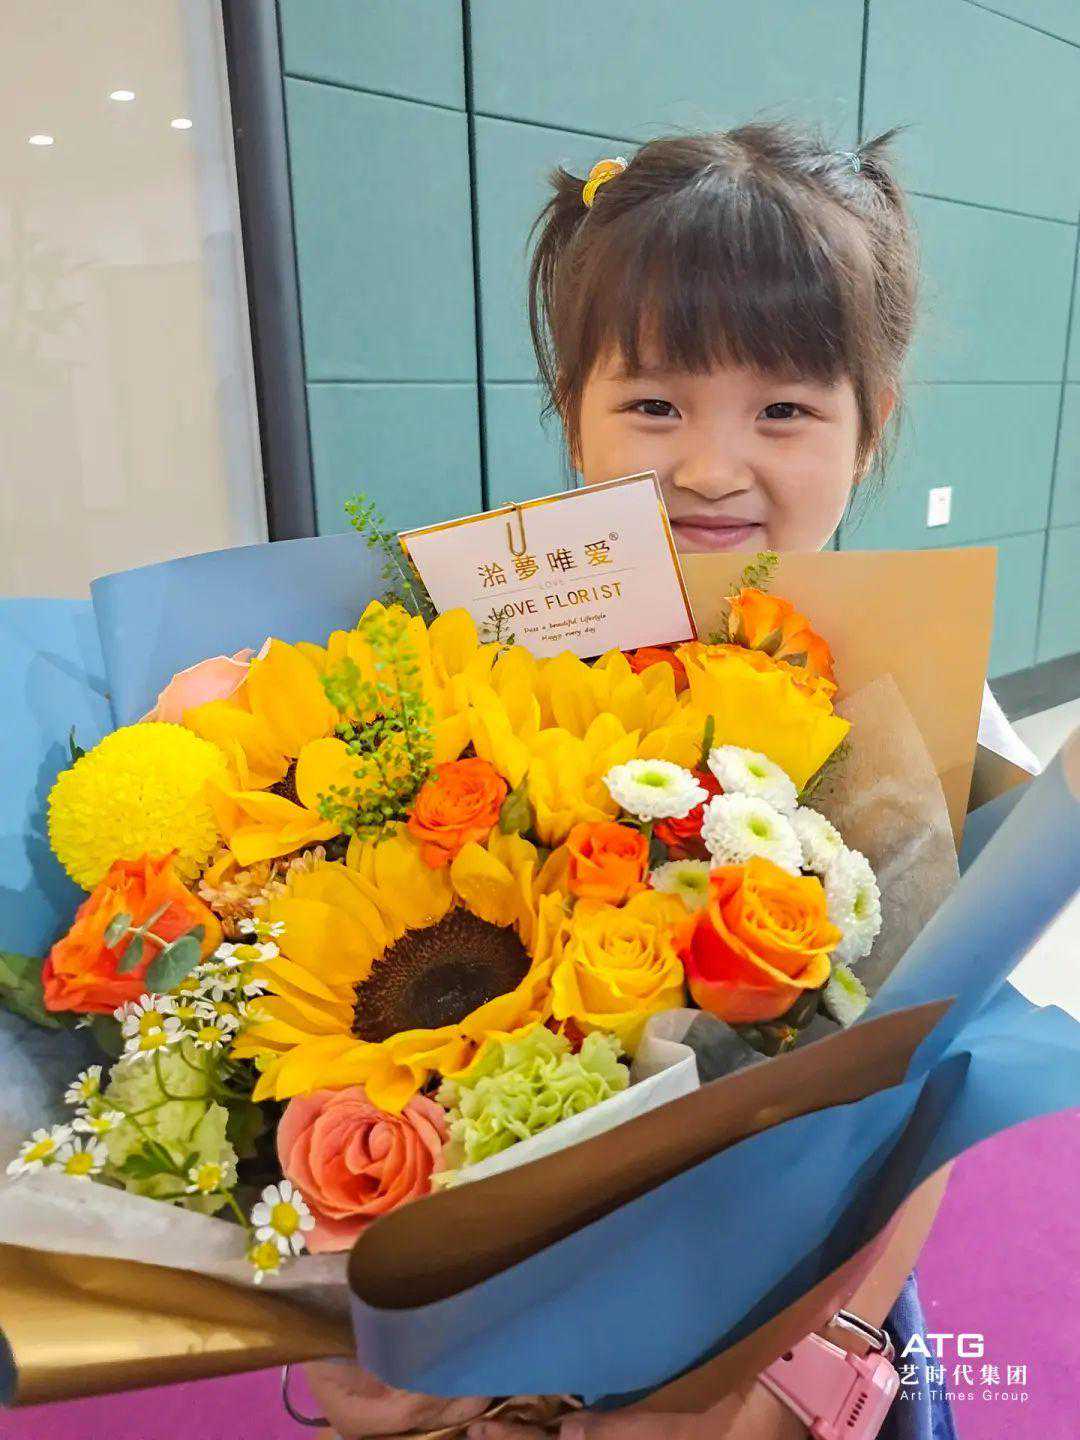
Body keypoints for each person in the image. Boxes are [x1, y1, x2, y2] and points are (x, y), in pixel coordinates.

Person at [303, 120, 1038, 1437]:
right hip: (500, 1333)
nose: (709, 466)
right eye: (654, 404)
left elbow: (931, 1077)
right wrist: (390, 1335)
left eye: (784, 410)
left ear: (869, 431)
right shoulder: (479, 650)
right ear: (571, 411)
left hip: (795, 1318)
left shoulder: (928, 693)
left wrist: (804, 1375)